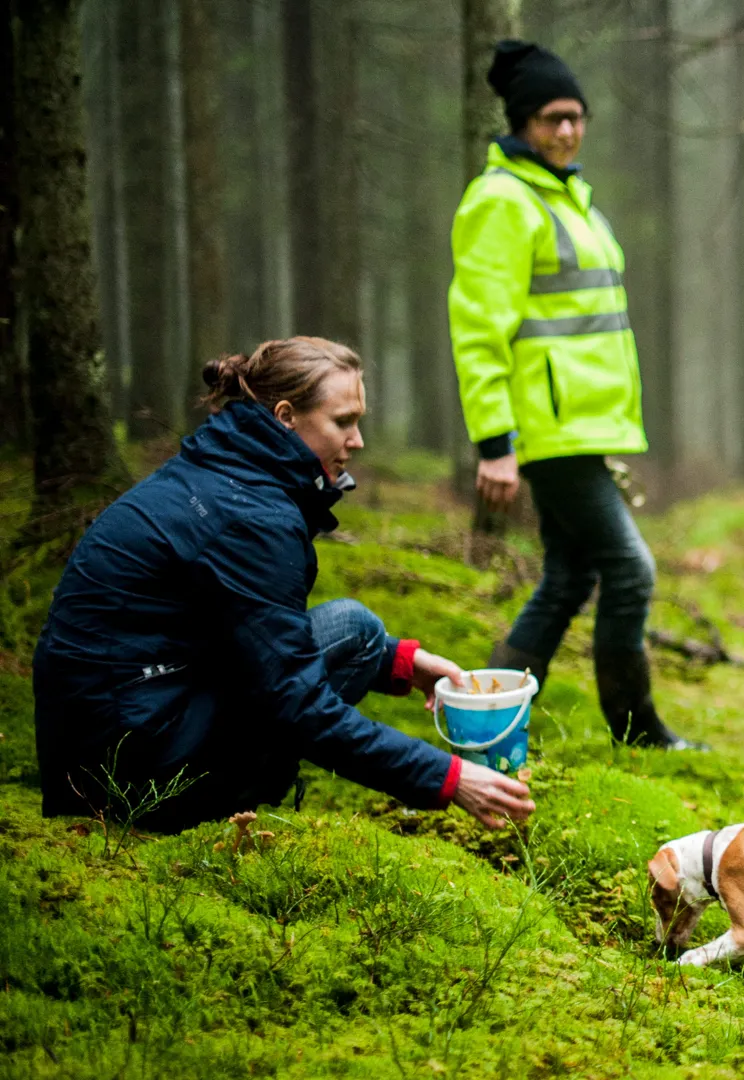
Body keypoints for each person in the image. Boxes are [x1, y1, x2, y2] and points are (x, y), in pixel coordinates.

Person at [33, 338, 536, 834]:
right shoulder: (249, 515)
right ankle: (219, 802)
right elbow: (295, 700)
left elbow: (262, 640)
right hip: (128, 774)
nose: (358, 440)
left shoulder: (225, 472)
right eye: (343, 422)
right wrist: (447, 778)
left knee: (356, 630)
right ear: (285, 416)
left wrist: (400, 664)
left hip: (121, 731)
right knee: (315, 675)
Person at [448, 39, 701, 751]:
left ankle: (485, 718)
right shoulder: (499, 203)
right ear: (521, 122)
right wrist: (495, 444)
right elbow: (478, 331)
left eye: (576, 117)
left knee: (568, 577)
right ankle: (637, 728)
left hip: (585, 425)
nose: (566, 131)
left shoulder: (572, 200)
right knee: (629, 569)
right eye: (551, 118)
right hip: (545, 428)